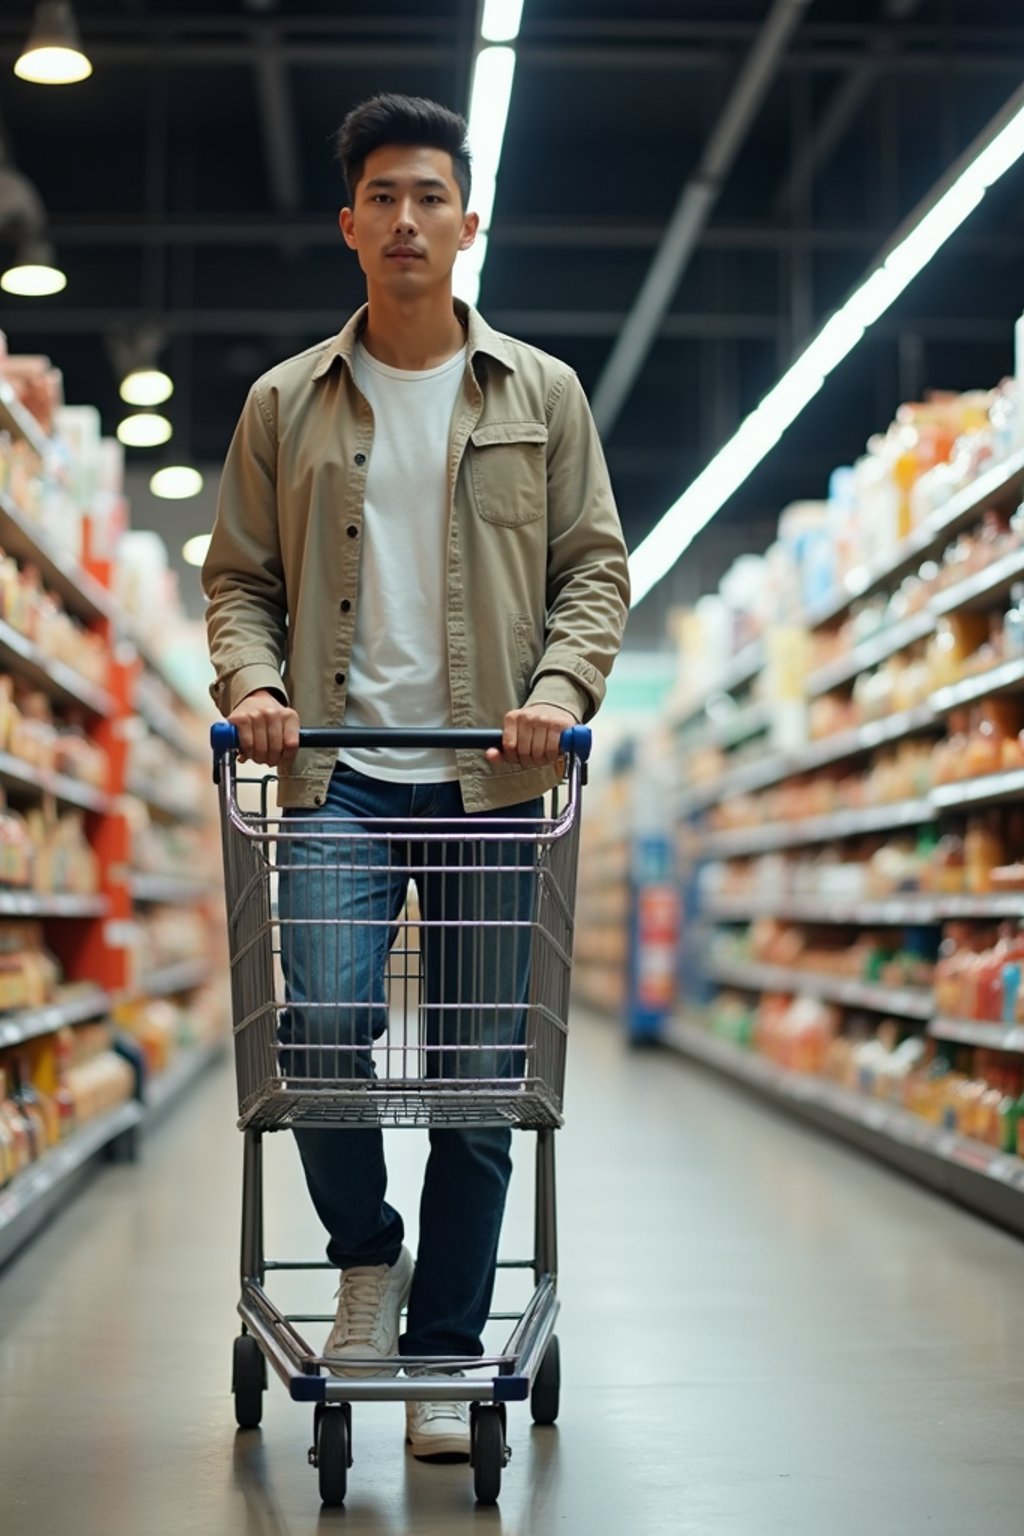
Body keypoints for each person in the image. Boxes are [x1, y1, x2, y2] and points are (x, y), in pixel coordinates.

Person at [203, 93, 629, 1462]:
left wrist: (555, 698)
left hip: (495, 794)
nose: (406, 220)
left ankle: (446, 1353)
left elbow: (594, 573)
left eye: (429, 196)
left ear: (467, 221)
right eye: (382, 197)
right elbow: (240, 587)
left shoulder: (542, 396)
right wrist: (255, 686)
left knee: (478, 1080)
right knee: (320, 1035)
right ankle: (366, 1254)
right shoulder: (284, 404)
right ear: (349, 223)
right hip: (337, 786)